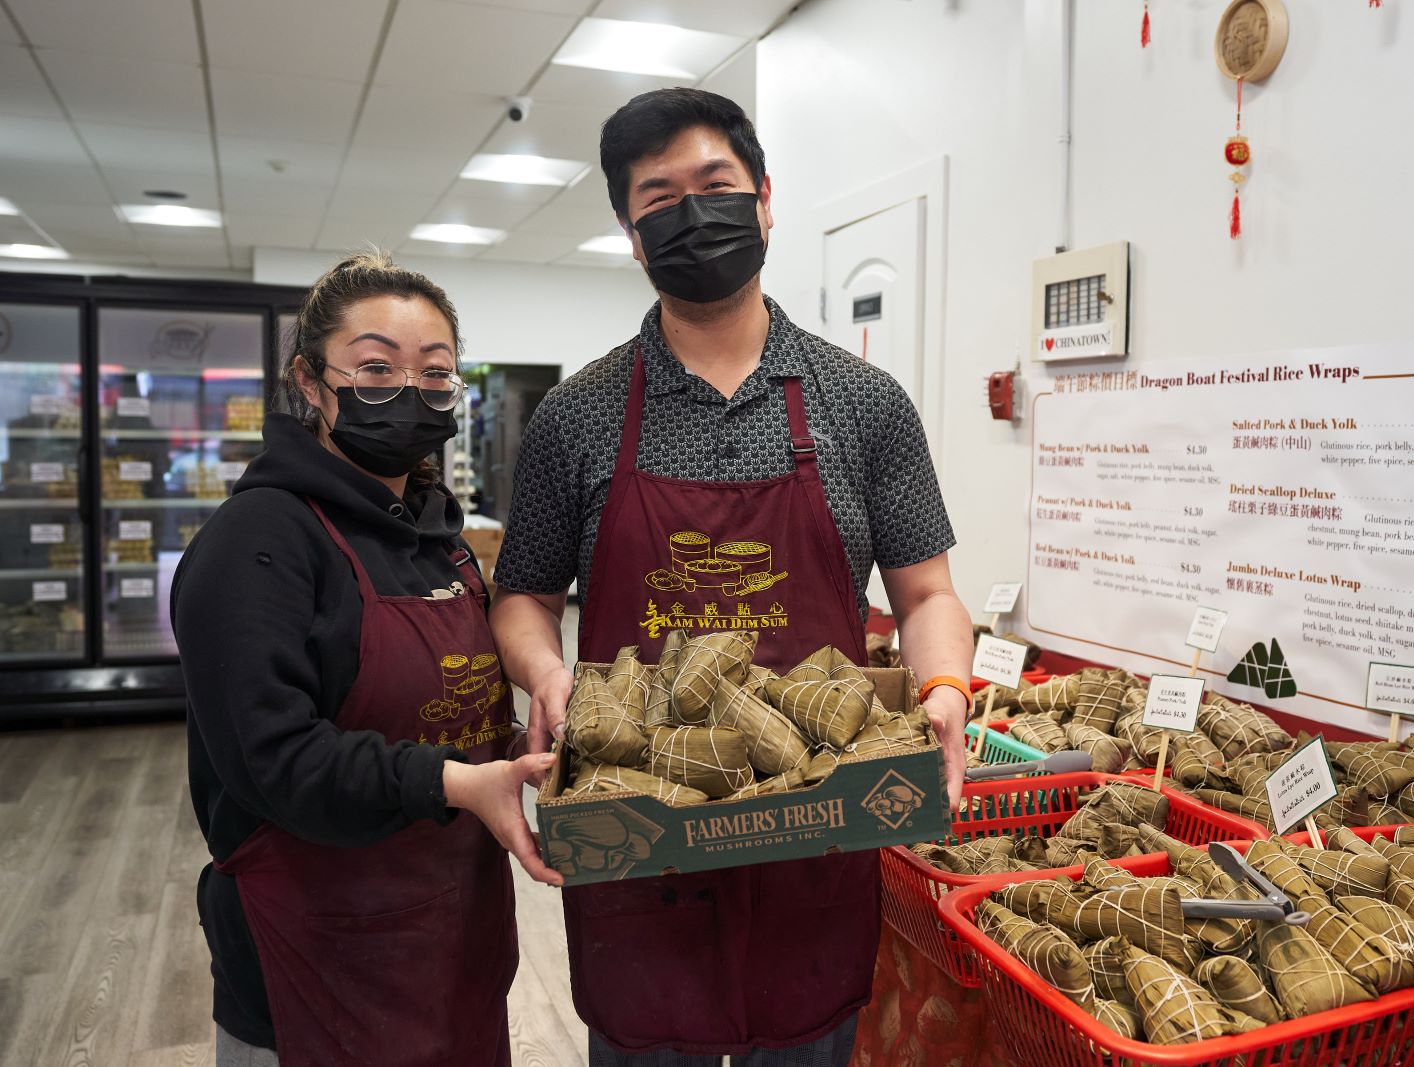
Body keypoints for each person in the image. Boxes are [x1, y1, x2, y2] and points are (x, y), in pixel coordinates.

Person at [491, 89, 974, 1064]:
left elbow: (927, 593)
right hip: (639, 840)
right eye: (658, 196)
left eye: (713, 184)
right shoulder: (577, 416)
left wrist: (946, 690)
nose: (691, 210)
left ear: (762, 198)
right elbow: (524, 597)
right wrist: (546, 675)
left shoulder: (865, 403)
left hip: (815, 818)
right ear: (633, 236)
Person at [173, 252, 559, 1067]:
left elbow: (444, 698)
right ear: (310, 381)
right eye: (377, 368)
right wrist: (457, 780)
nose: (409, 395)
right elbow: (272, 760)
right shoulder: (259, 541)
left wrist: (524, 738)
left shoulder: (437, 538)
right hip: (313, 966)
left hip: (451, 945)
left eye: (435, 374)